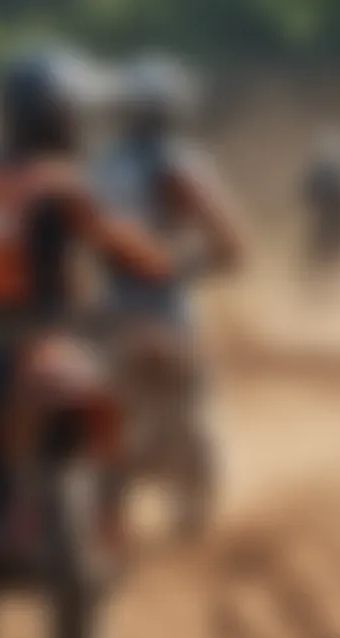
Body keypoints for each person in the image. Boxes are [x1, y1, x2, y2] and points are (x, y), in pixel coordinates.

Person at [0, 47, 174, 550]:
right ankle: (106, 518)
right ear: (62, 118)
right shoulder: (59, 185)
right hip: (42, 343)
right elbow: (127, 249)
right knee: (118, 398)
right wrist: (159, 261)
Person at [90, 53, 247, 534]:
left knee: (109, 413)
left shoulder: (101, 166)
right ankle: (189, 506)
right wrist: (193, 266)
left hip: (110, 315)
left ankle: (106, 509)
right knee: (189, 406)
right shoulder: (180, 164)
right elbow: (231, 242)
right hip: (166, 310)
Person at [301, 126, 340, 279]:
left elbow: (307, 193)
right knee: (327, 252)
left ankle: (320, 279)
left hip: (330, 222)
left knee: (326, 252)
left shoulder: (330, 171)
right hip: (329, 222)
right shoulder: (337, 172)